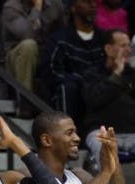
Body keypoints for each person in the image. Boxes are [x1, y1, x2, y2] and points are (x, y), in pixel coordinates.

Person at [81, 30, 135, 170]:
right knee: (102, 146)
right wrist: (116, 75)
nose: (129, 50)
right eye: (123, 45)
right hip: (102, 133)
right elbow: (94, 99)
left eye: (129, 46)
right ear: (108, 49)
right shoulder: (92, 74)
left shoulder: (133, 74)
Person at [38, 0, 105, 128]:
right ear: (73, 8)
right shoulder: (59, 39)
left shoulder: (103, 38)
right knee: (68, 88)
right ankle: (67, 133)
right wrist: (80, 81)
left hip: (99, 92)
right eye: (86, 2)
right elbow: (50, 72)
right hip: (73, 92)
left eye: (94, 2)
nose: (93, 5)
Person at [1, 0, 67, 117]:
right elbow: (27, 33)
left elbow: (63, 32)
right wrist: (37, 8)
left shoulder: (56, 5)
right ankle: (25, 100)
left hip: (46, 51)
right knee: (29, 45)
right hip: (16, 55)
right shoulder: (11, 6)